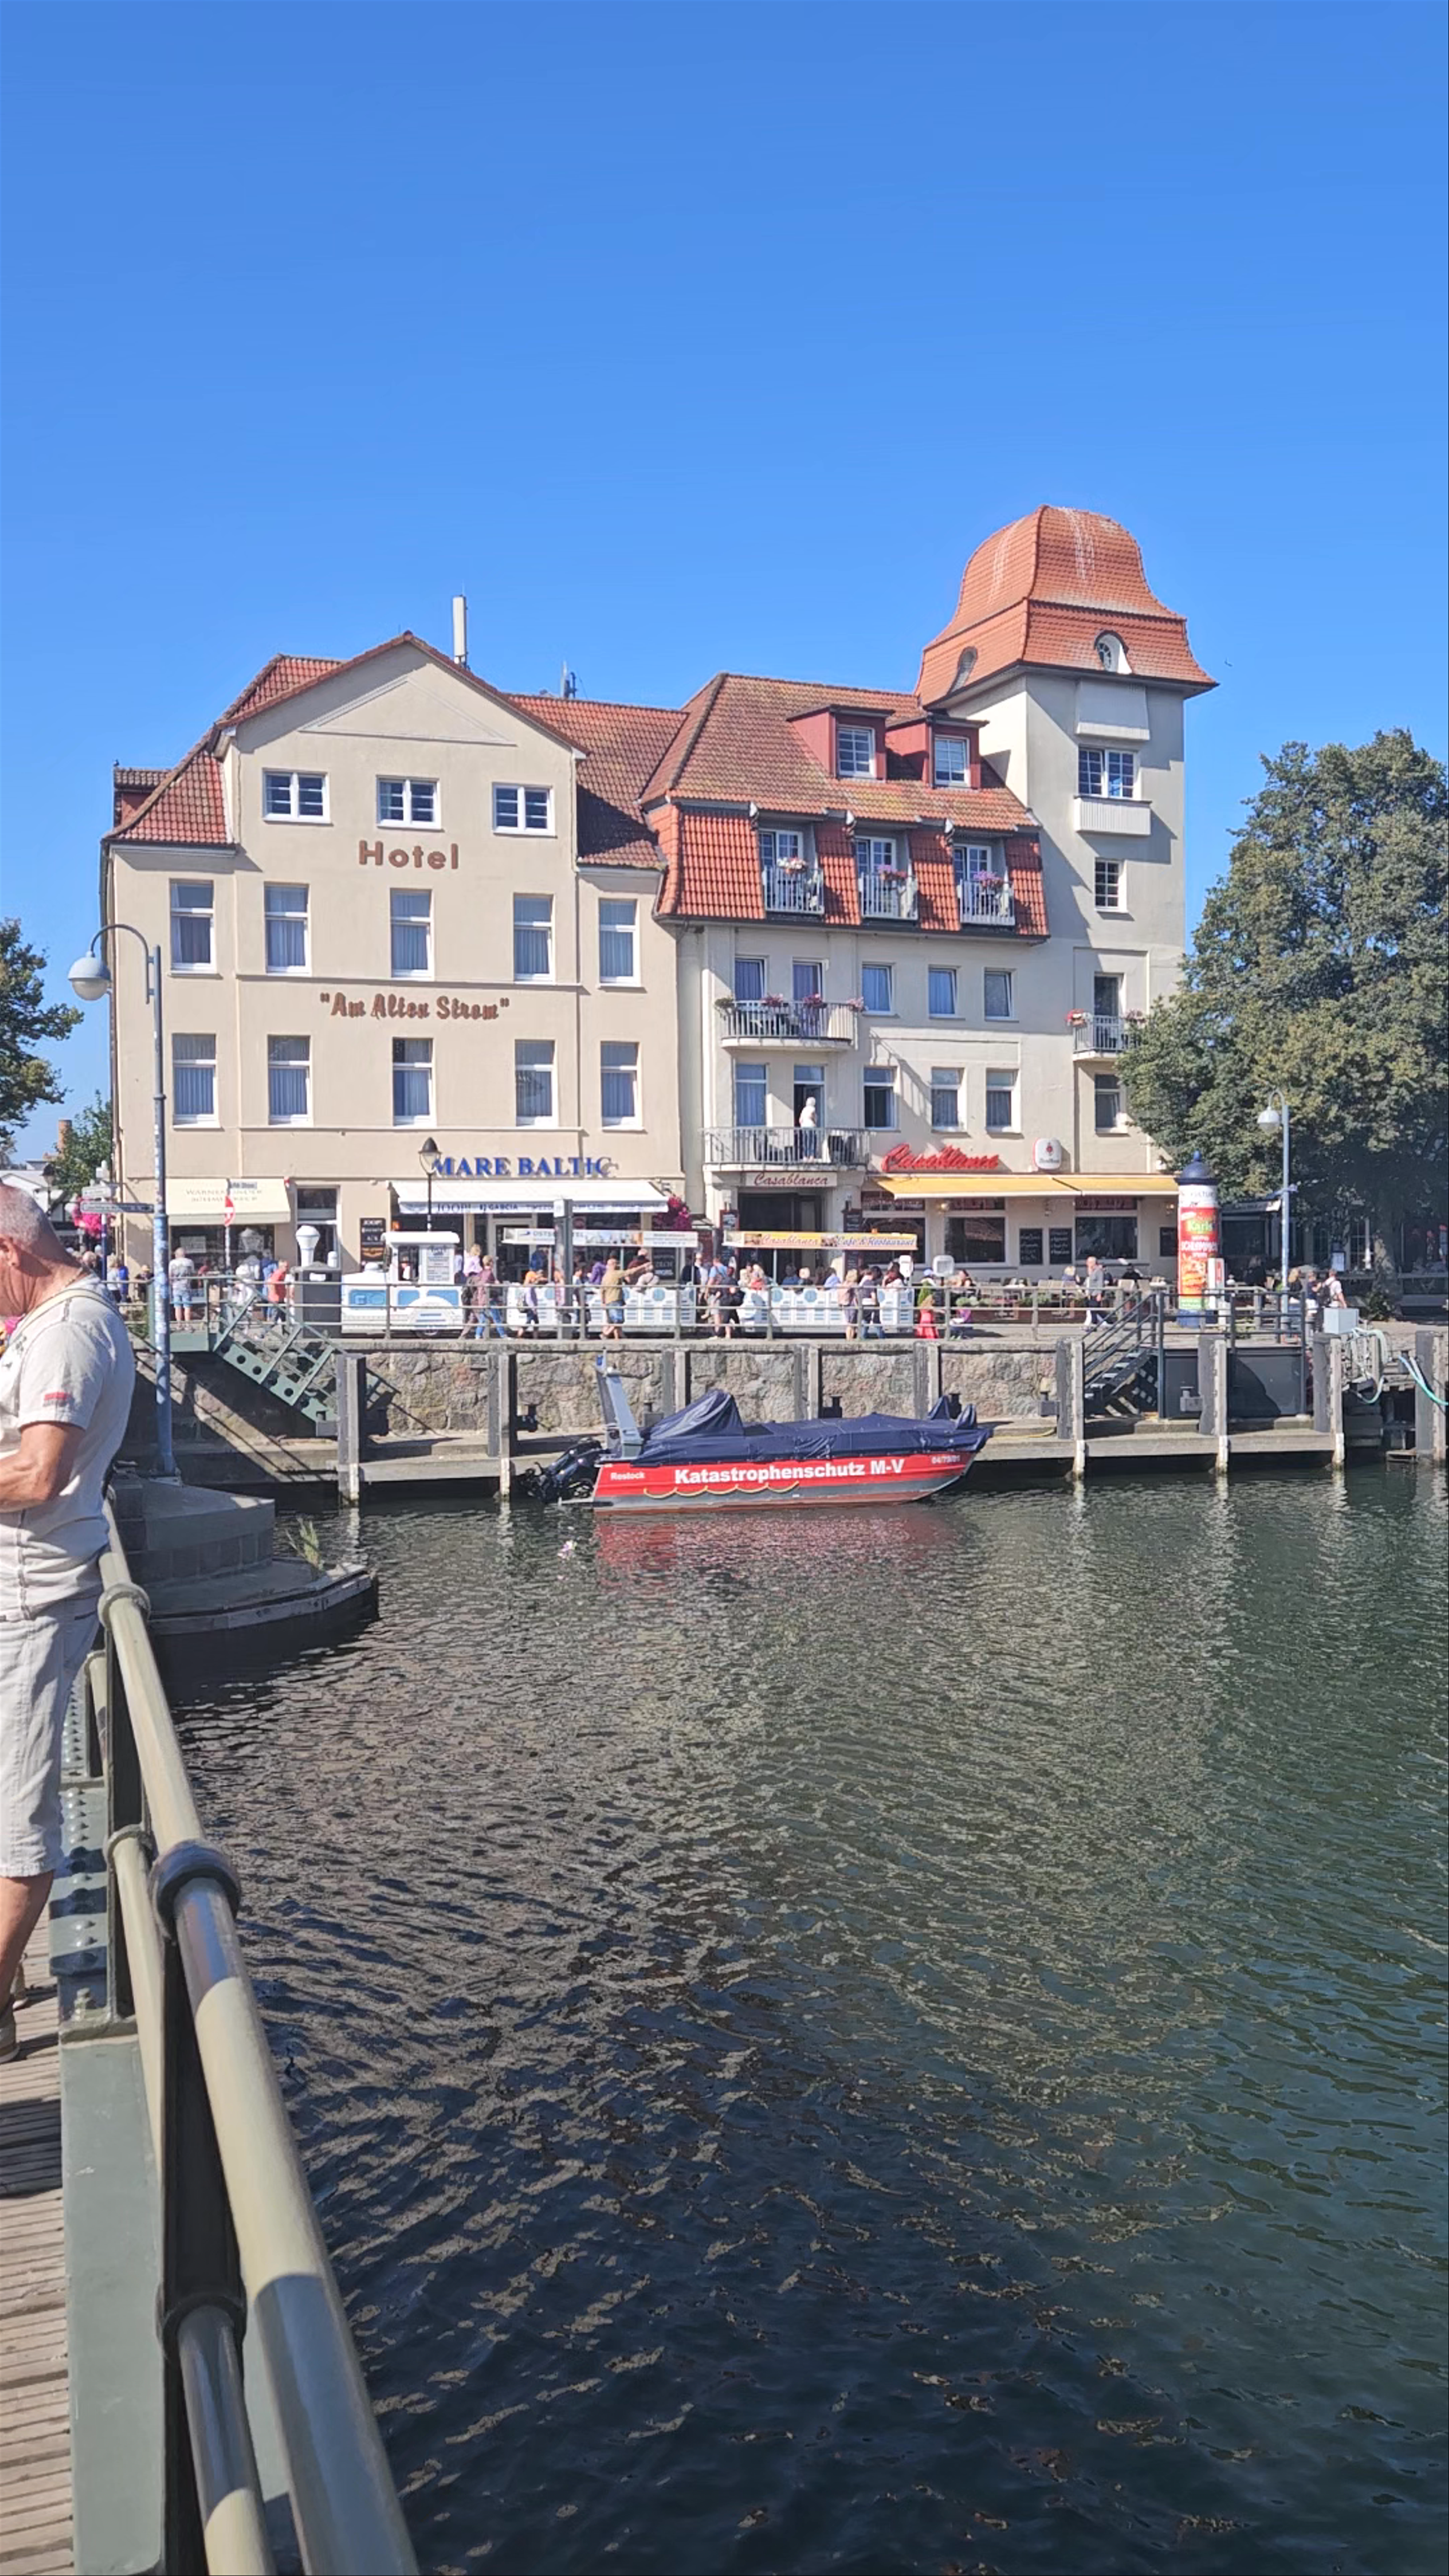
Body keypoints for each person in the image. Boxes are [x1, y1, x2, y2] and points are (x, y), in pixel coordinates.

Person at [0, 1186, 136, 2061]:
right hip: (26, 1588)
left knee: (19, 1811)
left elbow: (42, 1474)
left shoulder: (67, 1330)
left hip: (28, 1598)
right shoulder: (56, 1323)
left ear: (9, 1252)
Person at [167, 1246, 196, 1326]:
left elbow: (170, 1275)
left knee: (177, 1306)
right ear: (184, 1254)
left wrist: (171, 1284)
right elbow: (193, 1274)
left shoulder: (172, 1263)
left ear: (177, 1255)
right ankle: (188, 1324)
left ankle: (179, 1324)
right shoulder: (190, 1262)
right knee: (187, 1306)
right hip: (186, 1287)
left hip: (176, 1287)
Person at [599, 1256, 626, 1341]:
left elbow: (602, 1290)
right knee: (618, 1320)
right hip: (616, 1300)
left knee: (613, 1320)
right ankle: (606, 1334)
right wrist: (643, 1267)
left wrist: (603, 1302)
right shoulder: (616, 1274)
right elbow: (630, 1272)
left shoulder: (605, 1276)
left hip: (609, 1300)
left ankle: (617, 1338)